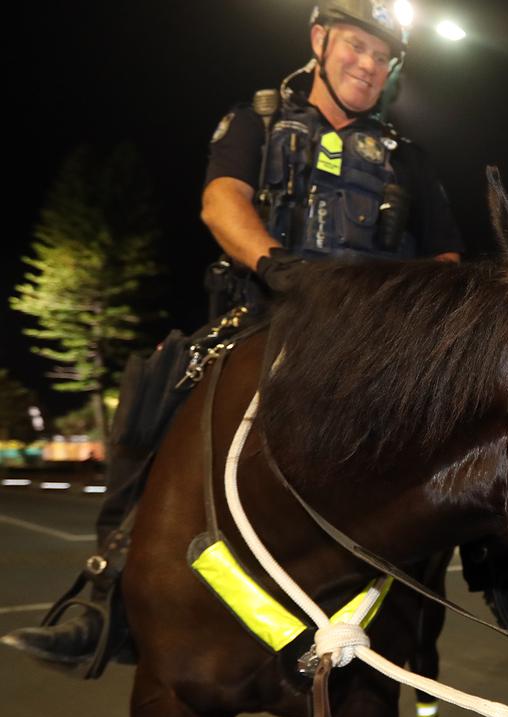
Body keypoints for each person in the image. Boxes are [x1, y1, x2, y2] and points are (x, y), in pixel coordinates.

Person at [3, 0, 464, 672]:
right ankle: (105, 595)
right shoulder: (257, 121)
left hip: (373, 343)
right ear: (320, 40)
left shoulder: (409, 160)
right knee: (156, 384)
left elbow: (449, 257)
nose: (367, 63)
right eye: (355, 46)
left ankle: (505, 580)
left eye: (380, 54)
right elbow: (221, 201)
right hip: (265, 314)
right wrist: (278, 266)